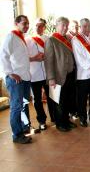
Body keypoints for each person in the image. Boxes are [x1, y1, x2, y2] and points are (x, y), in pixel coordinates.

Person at [0, 15, 32, 143]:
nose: (27, 26)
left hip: (24, 77)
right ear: (16, 23)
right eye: (24, 23)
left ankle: (24, 128)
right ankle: (17, 135)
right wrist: (10, 73)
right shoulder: (11, 36)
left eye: (28, 23)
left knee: (23, 104)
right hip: (16, 79)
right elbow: (3, 56)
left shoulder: (21, 37)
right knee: (16, 106)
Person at [44, 17, 77, 132]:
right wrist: (51, 78)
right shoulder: (51, 40)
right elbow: (48, 61)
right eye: (63, 25)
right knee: (58, 102)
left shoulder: (67, 39)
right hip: (57, 77)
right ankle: (60, 123)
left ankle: (66, 120)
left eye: (67, 25)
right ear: (57, 26)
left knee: (67, 100)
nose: (65, 27)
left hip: (69, 75)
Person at [26, 18, 55, 130]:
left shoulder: (48, 39)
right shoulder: (27, 40)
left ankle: (54, 117)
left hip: (48, 74)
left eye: (41, 25)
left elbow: (53, 55)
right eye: (37, 25)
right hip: (34, 75)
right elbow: (23, 57)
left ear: (44, 27)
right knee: (37, 100)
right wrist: (34, 58)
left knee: (51, 97)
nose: (39, 28)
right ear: (34, 26)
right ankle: (42, 121)